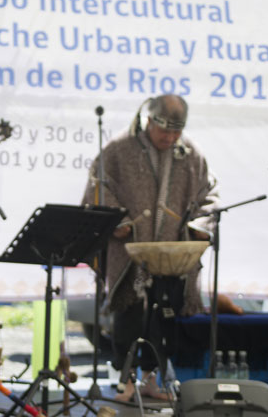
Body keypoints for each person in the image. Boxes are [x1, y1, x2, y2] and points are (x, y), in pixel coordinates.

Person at [82, 94, 217, 402]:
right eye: (164, 131)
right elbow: (98, 187)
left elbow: (209, 196)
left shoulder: (191, 154)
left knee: (163, 319)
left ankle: (152, 379)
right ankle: (126, 380)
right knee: (130, 315)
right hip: (129, 251)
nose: (170, 138)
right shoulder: (119, 150)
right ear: (149, 121)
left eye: (176, 132)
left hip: (170, 255)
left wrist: (199, 227)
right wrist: (119, 219)